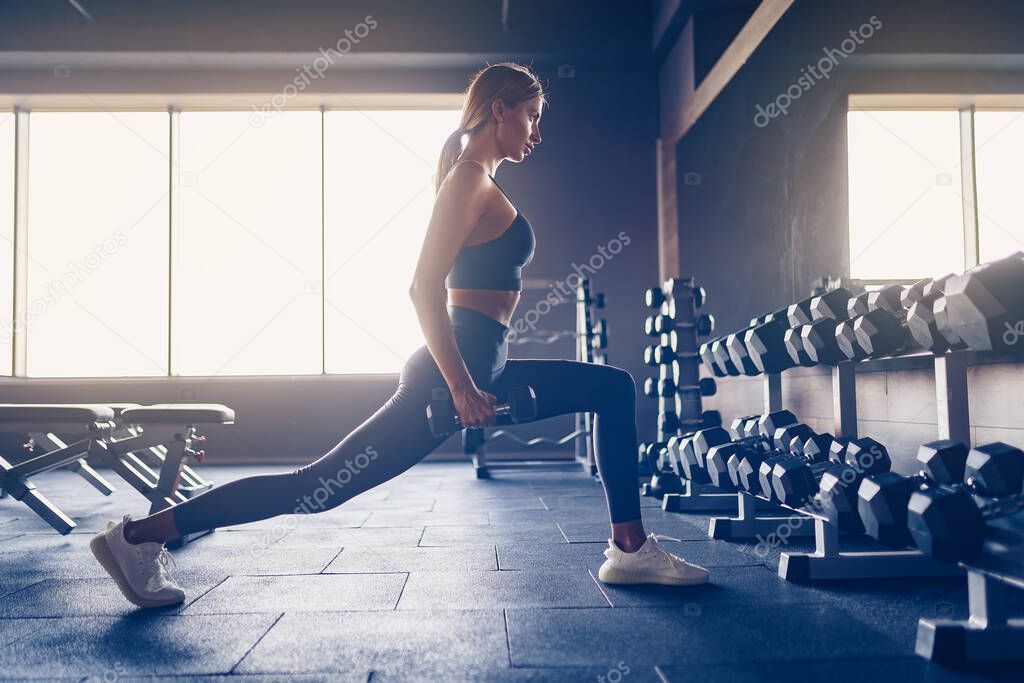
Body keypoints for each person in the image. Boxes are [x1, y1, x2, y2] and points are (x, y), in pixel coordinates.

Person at [90, 62, 709, 609]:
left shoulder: (482, 181)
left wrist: (474, 380)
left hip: (481, 366)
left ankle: (629, 547)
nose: (538, 132)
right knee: (314, 489)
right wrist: (462, 388)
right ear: (500, 110)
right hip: (451, 375)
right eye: (531, 116)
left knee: (611, 389)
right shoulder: (467, 180)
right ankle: (138, 538)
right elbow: (422, 288)